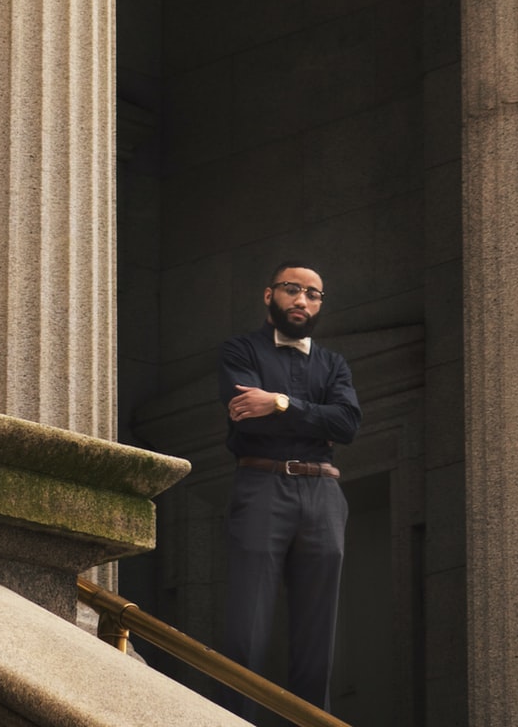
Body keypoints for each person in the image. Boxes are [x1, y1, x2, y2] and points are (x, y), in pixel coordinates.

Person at [220, 261, 361, 722]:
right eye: (291, 290)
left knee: (318, 634)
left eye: (313, 294)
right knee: (247, 626)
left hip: (323, 494)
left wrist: (279, 402)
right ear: (269, 295)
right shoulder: (240, 350)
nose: (302, 300)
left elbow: (347, 424)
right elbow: (245, 411)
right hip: (262, 484)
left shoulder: (333, 363)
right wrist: (311, 414)